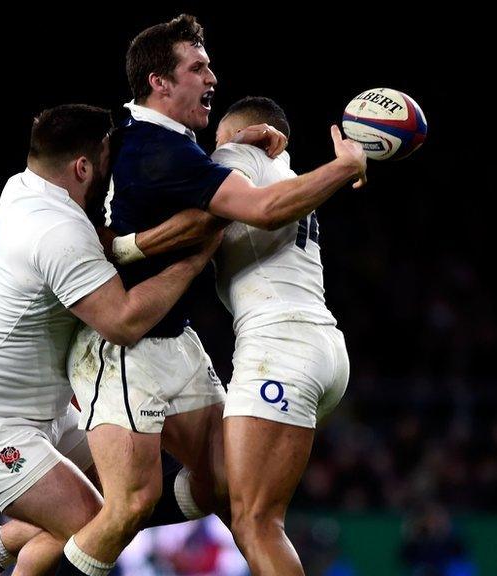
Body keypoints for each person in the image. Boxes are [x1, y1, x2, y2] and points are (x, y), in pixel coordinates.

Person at [57, 15, 366, 576]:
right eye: (197, 67)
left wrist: (232, 144)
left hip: (198, 341)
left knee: (229, 499)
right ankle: (21, 539)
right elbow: (255, 207)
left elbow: (199, 200)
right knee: (139, 505)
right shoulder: (163, 150)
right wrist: (344, 167)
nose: (211, 76)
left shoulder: (181, 150)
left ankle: (37, 532)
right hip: (126, 347)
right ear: (159, 81)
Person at [0, 104, 220, 576]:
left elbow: (100, 243)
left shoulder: (24, 186)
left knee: (131, 497)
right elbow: (123, 321)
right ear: (82, 168)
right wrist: (193, 260)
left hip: (47, 413)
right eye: (106, 159)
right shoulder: (59, 231)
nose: (113, 169)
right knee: (90, 525)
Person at [118, 96, 355, 575]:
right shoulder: (288, 177)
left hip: (279, 349)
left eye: (219, 137)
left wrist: (124, 247)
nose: (210, 148)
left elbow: (201, 199)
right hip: (323, 350)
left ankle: (111, 512)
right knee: (226, 489)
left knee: (255, 521)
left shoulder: (236, 161)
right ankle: (113, 513)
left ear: (242, 134)